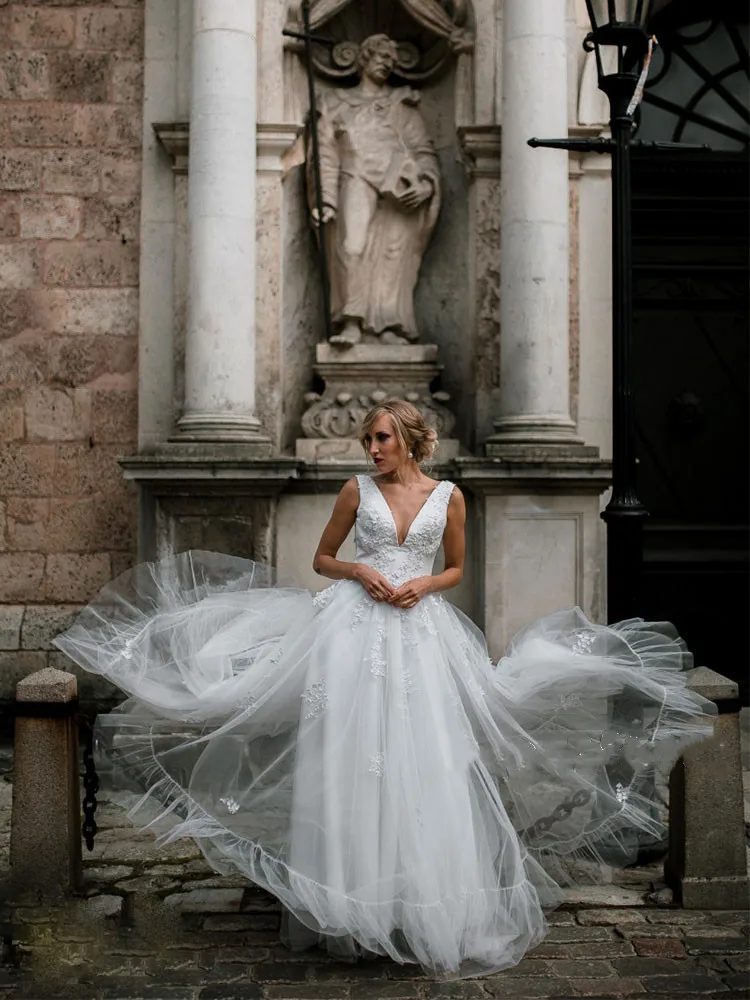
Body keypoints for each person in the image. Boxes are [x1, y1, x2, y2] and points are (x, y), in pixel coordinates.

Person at [55, 400, 713, 979]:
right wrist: (361, 571)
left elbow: (453, 566)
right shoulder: (355, 492)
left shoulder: (448, 496)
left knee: (423, 764)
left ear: (410, 441)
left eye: (382, 439)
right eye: (369, 440)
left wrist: (420, 584)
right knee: (349, 764)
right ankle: (347, 907)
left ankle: (418, 908)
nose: (372, 450)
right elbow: (322, 560)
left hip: (420, 635)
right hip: (351, 633)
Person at [310, 34, 441, 346]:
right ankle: (351, 322)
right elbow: (323, 153)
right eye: (381, 57)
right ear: (363, 57)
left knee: (392, 256)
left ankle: (388, 327)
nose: (387, 64)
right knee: (350, 246)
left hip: (398, 188)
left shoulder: (402, 105)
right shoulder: (334, 103)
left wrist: (426, 184)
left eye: (392, 61)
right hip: (354, 176)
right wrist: (325, 198)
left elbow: (423, 151)